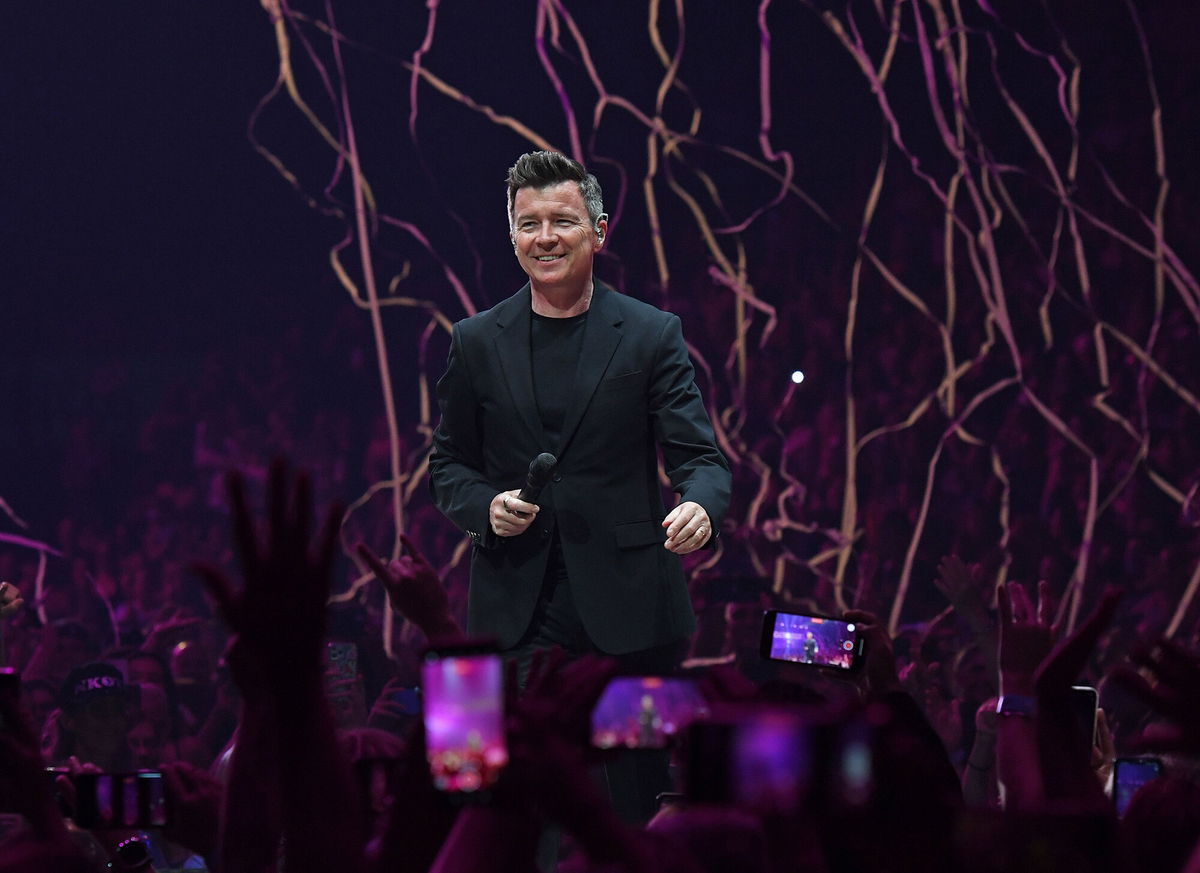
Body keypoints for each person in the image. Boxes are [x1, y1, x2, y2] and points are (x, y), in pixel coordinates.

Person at [427, 150, 731, 679]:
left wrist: (701, 506)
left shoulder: (650, 334)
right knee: (531, 763)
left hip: (633, 610)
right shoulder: (475, 341)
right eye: (529, 225)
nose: (545, 237)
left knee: (636, 763)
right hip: (517, 612)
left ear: (598, 232)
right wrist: (486, 508)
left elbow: (700, 457)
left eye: (563, 221)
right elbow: (448, 464)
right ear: (514, 238)